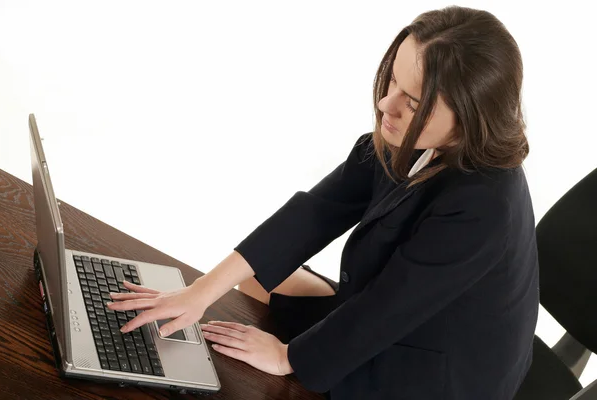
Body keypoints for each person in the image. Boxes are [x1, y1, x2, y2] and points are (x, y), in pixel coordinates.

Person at [106, 5, 539, 400]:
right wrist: (199, 292)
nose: (387, 104)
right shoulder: (407, 136)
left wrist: (286, 357)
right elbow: (314, 212)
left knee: (274, 351)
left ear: (469, 116)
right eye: (392, 81)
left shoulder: (484, 208)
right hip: (397, 308)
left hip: (432, 374)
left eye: (413, 102)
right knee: (256, 279)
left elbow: (387, 309)